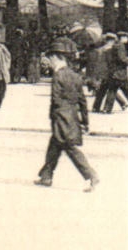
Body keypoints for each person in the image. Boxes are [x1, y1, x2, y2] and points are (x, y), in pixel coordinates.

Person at [35, 39, 100, 192]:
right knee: (54, 147)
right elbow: (82, 101)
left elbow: (56, 100)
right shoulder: (75, 75)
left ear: (57, 57)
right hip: (72, 118)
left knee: (70, 148)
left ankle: (91, 175)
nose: (49, 61)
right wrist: (85, 121)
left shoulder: (58, 76)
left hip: (61, 118)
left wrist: (54, 116)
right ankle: (46, 176)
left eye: (51, 58)